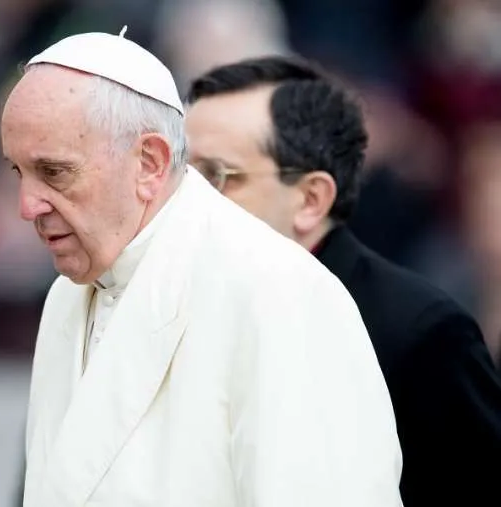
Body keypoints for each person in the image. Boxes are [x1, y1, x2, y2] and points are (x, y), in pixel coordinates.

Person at [2, 30, 403, 507]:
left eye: (54, 172)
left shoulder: (279, 291)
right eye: (18, 172)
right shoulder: (67, 292)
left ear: (149, 163)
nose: (27, 206)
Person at [184, 55, 501, 507]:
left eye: (216, 176)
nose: (185, 199)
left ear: (310, 199)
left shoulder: (419, 333)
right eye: (179, 174)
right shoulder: (173, 304)